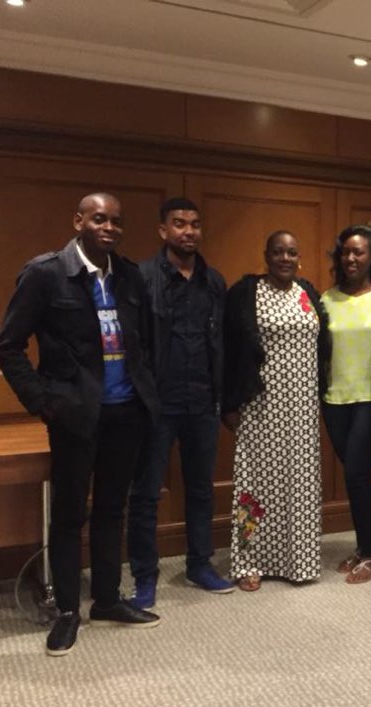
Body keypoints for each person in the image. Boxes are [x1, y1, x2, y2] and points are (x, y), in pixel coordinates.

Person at [0, 193, 161, 656]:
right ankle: (68, 611)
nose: (109, 227)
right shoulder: (46, 274)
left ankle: (106, 600)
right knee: (70, 515)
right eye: (99, 219)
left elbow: (145, 341)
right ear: (78, 222)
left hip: (125, 412)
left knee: (111, 510)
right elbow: (8, 346)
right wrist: (43, 402)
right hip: (74, 416)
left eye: (116, 221)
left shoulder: (129, 275)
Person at [126, 198, 232, 610]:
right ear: (163, 230)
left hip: (202, 402)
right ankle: (144, 576)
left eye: (195, 224)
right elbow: (133, 344)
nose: (188, 231)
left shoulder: (213, 281)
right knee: (146, 493)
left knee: (201, 490)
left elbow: (221, 342)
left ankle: (199, 564)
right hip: (156, 404)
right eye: (179, 223)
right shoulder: (141, 277)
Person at [221, 230, 331, 592]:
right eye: (278, 252)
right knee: (253, 486)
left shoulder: (307, 292)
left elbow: (322, 348)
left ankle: (299, 559)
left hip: (302, 409)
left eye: (292, 252)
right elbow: (230, 350)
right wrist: (230, 402)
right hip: (261, 406)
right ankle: (247, 560)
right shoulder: (246, 292)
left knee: (300, 485)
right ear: (266, 255)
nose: (285, 258)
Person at [321, 224, 371, 584]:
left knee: (355, 473)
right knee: (356, 477)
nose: (351, 258)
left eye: (359, 252)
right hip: (335, 399)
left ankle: (369, 552)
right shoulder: (326, 299)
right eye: (346, 252)